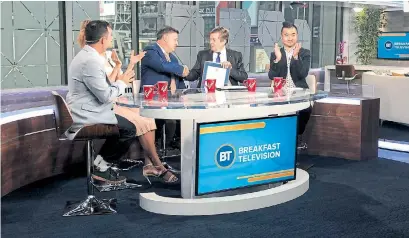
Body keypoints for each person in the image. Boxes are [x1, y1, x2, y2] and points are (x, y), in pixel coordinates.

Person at [69, 20, 178, 185]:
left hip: (93, 107)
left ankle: (106, 166)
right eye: (110, 36)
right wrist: (123, 82)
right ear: (103, 40)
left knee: (138, 120)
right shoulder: (90, 61)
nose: (112, 39)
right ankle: (101, 168)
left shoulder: (88, 56)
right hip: (89, 112)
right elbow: (106, 96)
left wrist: (121, 80)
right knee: (128, 129)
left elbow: (103, 91)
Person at [141, 26, 188, 153]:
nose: (177, 44)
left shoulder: (172, 58)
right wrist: (181, 69)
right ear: (165, 38)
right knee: (170, 120)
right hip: (153, 99)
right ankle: (158, 151)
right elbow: (162, 66)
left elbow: (179, 79)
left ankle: (173, 149)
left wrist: (184, 93)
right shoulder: (150, 50)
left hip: (171, 100)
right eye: (175, 40)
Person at [268, 21, 312, 144]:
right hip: (280, 94)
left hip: (299, 92)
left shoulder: (304, 53)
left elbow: (302, 74)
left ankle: (294, 139)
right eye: (286, 35)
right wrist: (278, 59)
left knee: (305, 110)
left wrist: (296, 57)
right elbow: (272, 76)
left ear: (297, 36)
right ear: (282, 37)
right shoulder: (275, 53)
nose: (290, 38)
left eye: (293, 34)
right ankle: (280, 141)